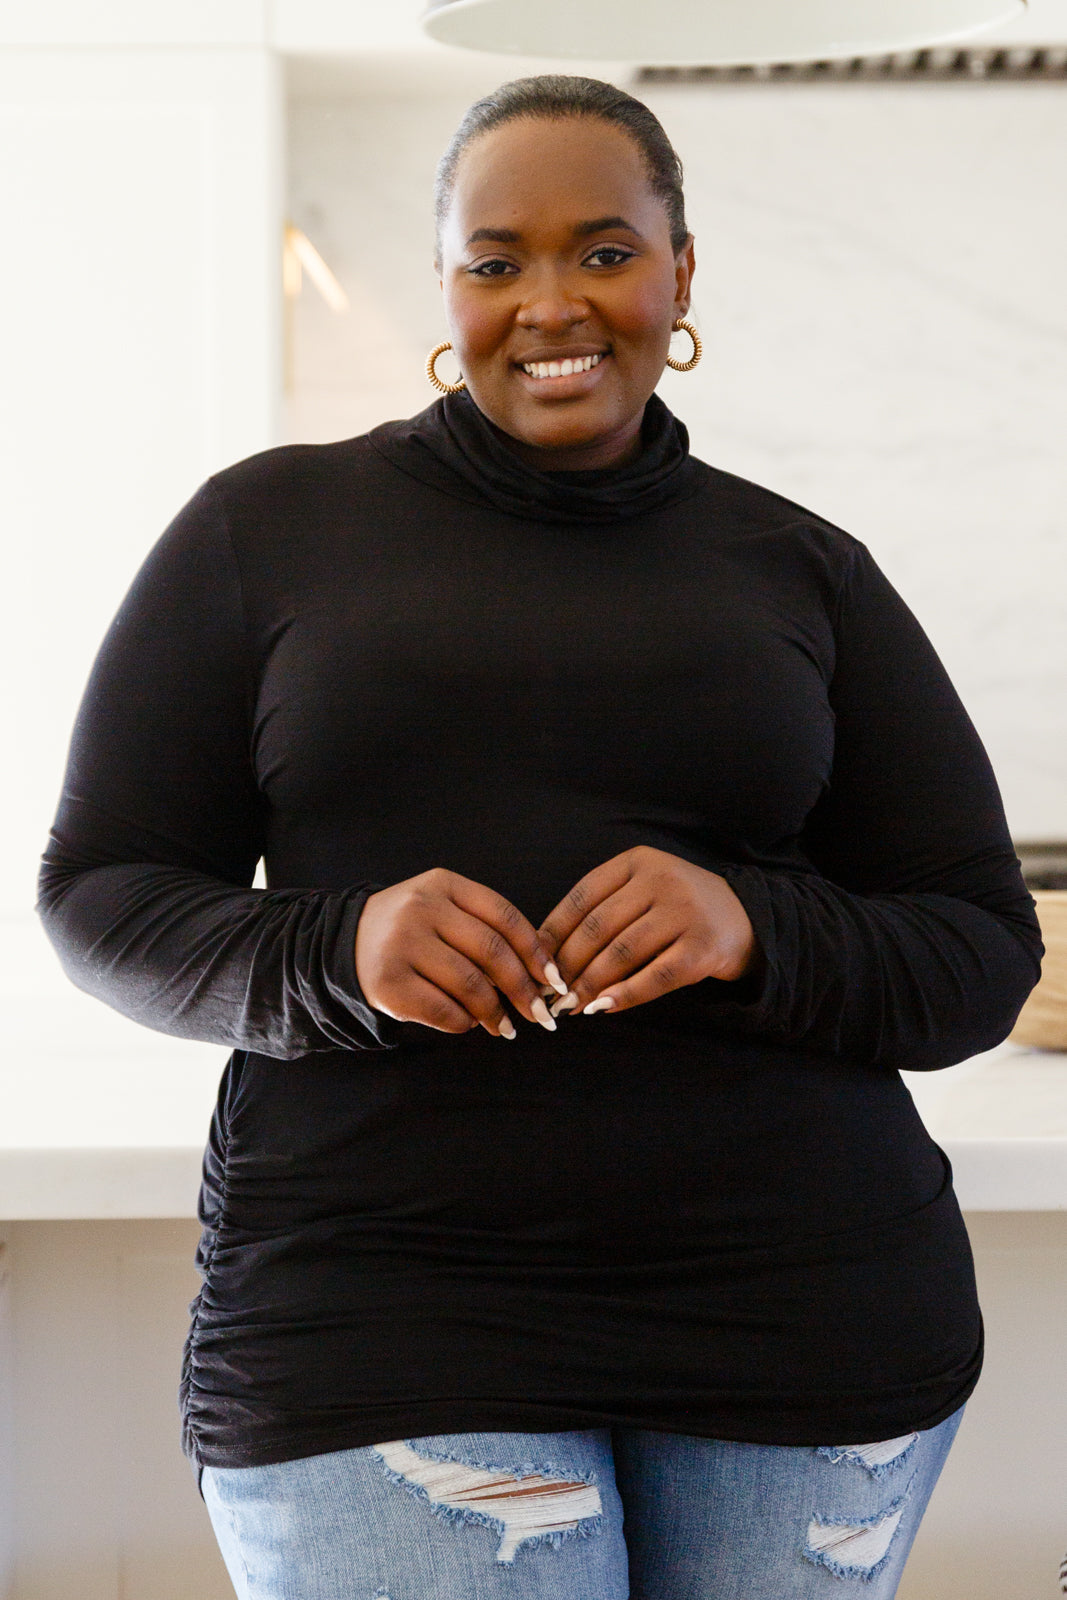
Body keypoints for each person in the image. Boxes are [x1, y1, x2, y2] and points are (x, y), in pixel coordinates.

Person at [38, 75, 1041, 1599]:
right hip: (380, 1309)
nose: (551, 303)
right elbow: (99, 893)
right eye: (496, 260)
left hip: (800, 1317)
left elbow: (978, 949)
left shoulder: (805, 570)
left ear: (681, 275)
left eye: (606, 252)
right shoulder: (266, 532)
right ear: (446, 285)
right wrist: (339, 946)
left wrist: (754, 925)